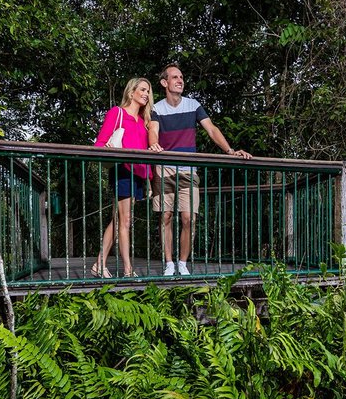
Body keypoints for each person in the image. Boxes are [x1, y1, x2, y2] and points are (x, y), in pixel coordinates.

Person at [147, 62, 251, 276]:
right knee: (165, 216)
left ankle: (182, 263)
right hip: (164, 168)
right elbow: (153, 130)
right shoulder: (157, 108)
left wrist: (230, 151)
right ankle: (169, 263)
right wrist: (154, 143)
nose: (180, 80)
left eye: (181, 77)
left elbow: (211, 129)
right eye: (175, 77)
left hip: (188, 169)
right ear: (164, 82)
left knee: (189, 218)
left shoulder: (193, 105)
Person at [91, 78, 154, 278]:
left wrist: (150, 178)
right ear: (131, 91)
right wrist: (108, 149)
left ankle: (99, 263)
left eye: (148, 91)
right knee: (125, 220)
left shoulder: (144, 121)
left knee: (120, 220)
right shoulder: (117, 113)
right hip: (122, 171)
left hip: (138, 175)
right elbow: (99, 144)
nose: (146, 94)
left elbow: (146, 152)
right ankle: (128, 270)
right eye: (142, 89)